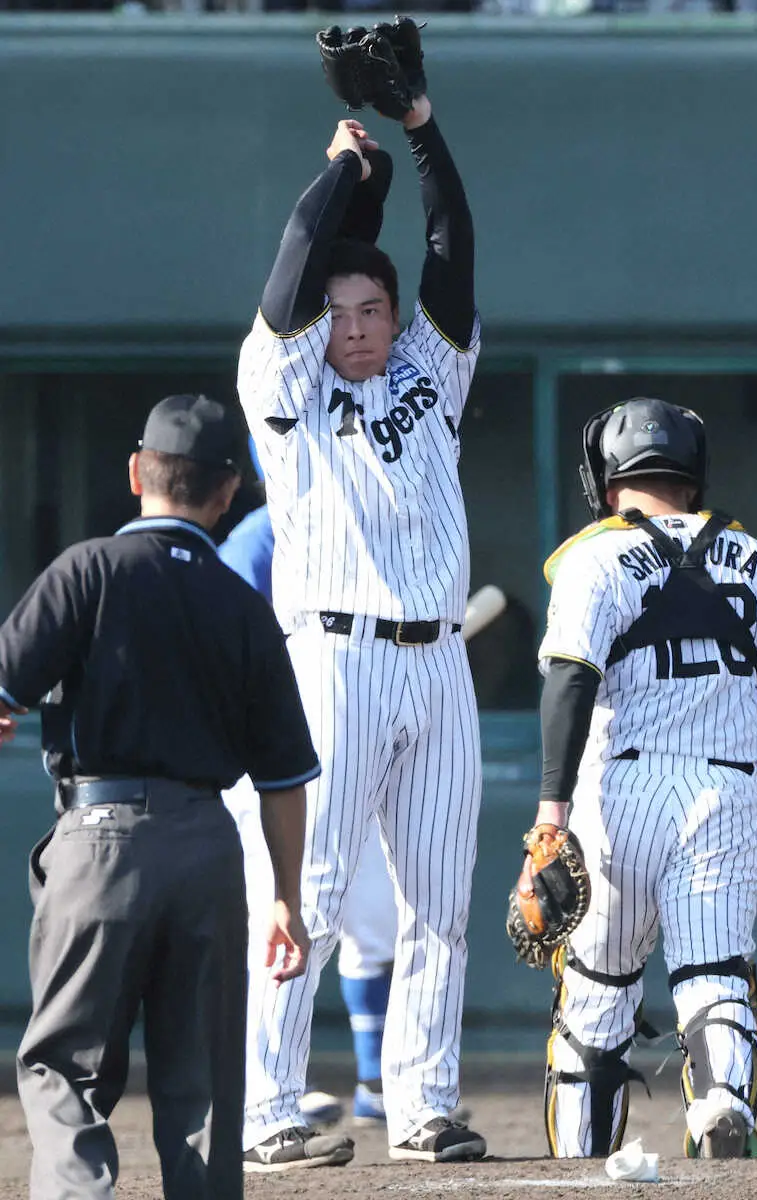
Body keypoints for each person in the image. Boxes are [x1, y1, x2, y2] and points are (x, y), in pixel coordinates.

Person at [235, 63, 487, 1169]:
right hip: (332, 656)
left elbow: (453, 246)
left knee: (443, 905)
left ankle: (424, 1105)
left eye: (369, 307)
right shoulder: (285, 388)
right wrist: (344, 171)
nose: (352, 326)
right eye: (339, 314)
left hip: (439, 663)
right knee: (314, 897)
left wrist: (420, 130)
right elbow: (296, 267)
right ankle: (269, 1108)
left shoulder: (432, 368)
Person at [0, 393, 326, 1200]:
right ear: (226, 495)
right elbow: (283, 778)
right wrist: (285, 896)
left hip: (99, 837)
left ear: (137, 472)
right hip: (210, 846)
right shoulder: (245, 607)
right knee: (204, 1086)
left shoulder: (88, 568)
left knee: (65, 1067)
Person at [520, 397, 757, 1160]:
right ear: (693, 472)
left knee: (596, 987)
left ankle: (584, 1164)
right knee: (714, 973)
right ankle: (720, 1105)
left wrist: (549, 814)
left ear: (604, 474)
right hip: (725, 785)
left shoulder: (593, 555)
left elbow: (568, 681)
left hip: (617, 791)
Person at [219, 469, 399, 1128]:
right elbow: (226, 654)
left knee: (375, 923)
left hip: (355, 747)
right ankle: (260, 1094)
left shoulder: (376, 530)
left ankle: (377, 1083)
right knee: (271, 926)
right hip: (271, 766)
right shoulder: (260, 538)